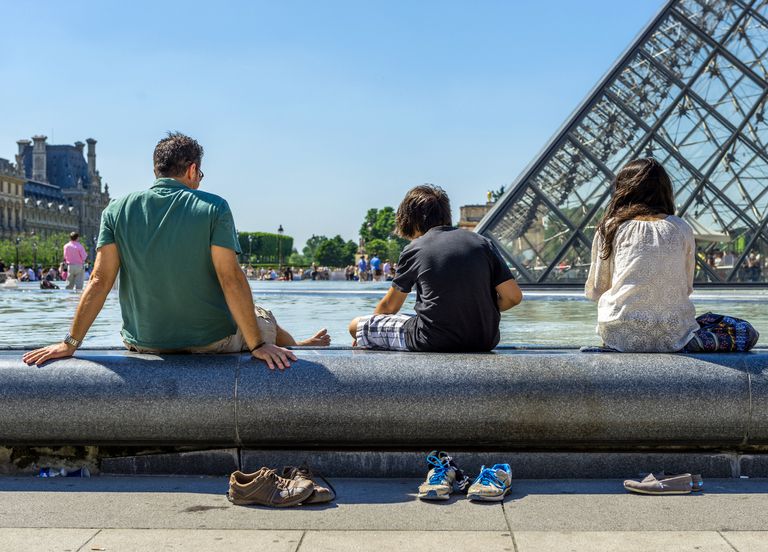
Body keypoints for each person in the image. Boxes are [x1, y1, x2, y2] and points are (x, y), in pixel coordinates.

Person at [23, 132, 329, 369]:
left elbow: (100, 282)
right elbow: (230, 279)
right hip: (211, 342)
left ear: (156, 170)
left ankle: (297, 342)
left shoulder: (115, 210)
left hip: (143, 343)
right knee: (262, 316)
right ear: (193, 170)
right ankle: (297, 345)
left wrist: (70, 343)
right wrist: (257, 346)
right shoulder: (214, 207)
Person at [585, 157, 758, 353]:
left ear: (622, 191)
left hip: (619, 336)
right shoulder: (681, 228)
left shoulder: (610, 228)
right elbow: (686, 288)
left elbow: (597, 290)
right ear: (666, 191)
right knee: (743, 330)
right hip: (674, 336)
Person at [349, 184, 522, 352]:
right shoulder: (483, 243)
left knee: (356, 325)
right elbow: (513, 297)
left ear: (411, 220)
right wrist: (474, 310)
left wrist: (367, 335)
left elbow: (389, 307)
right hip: (485, 340)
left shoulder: (416, 248)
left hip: (432, 339)